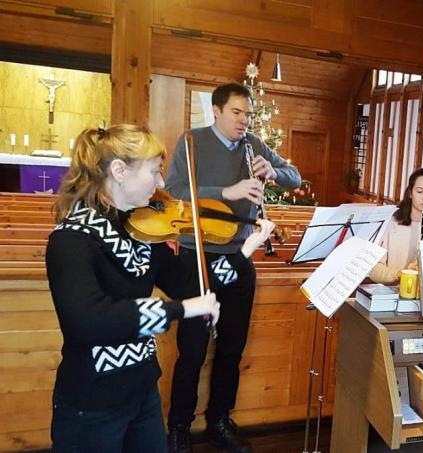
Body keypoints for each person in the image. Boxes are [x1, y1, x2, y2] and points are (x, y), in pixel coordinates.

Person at [46, 125, 274, 452]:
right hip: (91, 404)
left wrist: (244, 252)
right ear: (119, 171)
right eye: (154, 171)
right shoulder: (71, 240)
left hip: (143, 394)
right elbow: (88, 320)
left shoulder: (141, 233)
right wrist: (181, 310)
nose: (161, 184)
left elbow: (188, 283)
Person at [165, 83, 301, 453]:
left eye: (248, 114)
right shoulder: (192, 141)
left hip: (239, 256)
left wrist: (273, 171)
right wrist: (227, 192)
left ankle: (219, 421)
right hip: (198, 255)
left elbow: (296, 176)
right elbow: (175, 190)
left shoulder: (253, 144)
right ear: (217, 111)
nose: (244, 120)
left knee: (231, 347)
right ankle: (178, 426)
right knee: (192, 348)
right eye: (237, 113)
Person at [369, 168, 423, 284]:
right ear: (410, 193)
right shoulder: (391, 224)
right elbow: (373, 269)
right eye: (420, 191)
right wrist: (400, 274)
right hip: (394, 293)